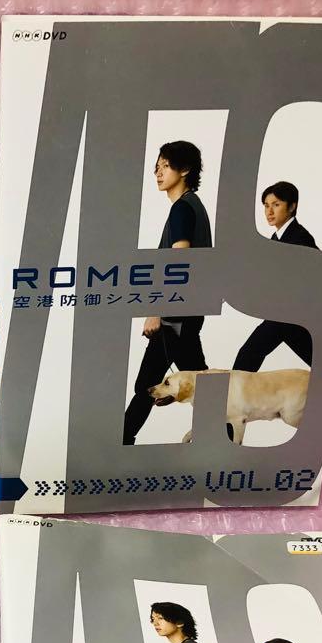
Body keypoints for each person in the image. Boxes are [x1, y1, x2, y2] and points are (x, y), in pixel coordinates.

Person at [123, 142, 212, 445]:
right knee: (166, 383)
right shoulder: (191, 206)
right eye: (157, 167)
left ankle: (222, 436)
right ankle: (122, 443)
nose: (158, 172)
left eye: (166, 165)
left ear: (184, 169)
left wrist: (155, 311)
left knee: (190, 385)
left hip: (176, 317)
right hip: (185, 314)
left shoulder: (182, 209)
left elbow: (179, 265)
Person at [232, 182, 317, 372]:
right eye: (266, 205)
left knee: (249, 353)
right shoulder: (277, 238)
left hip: (294, 315)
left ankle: (234, 392)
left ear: (292, 206)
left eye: (276, 205)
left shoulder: (299, 237)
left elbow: (310, 277)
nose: (269, 211)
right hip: (287, 316)